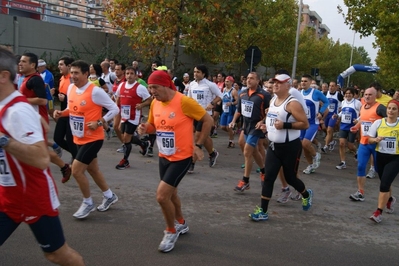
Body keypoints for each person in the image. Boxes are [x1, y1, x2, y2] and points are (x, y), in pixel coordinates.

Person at [0, 46, 84, 265]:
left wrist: (4, 140)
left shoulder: (17, 111)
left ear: (3, 76)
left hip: (32, 195)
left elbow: (40, 159)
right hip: (8, 195)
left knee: (57, 254)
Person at [137, 70, 213, 252]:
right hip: (164, 156)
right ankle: (181, 222)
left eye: (154, 87)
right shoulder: (155, 103)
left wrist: (199, 145)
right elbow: (153, 126)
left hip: (182, 157)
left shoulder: (183, 101)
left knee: (162, 196)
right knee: (172, 195)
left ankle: (171, 231)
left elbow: (208, 120)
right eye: (150, 88)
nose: (152, 91)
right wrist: (144, 128)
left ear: (165, 85)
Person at [53, 60, 119, 219]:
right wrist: (61, 113)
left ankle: (88, 202)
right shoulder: (70, 88)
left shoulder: (95, 91)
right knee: (92, 169)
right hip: (78, 137)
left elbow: (114, 108)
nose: (73, 76)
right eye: (72, 72)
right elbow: (72, 109)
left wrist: (100, 122)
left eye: (76, 73)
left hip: (93, 138)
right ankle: (109, 196)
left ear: (85, 74)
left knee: (76, 170)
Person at [249, 73, 313, 221]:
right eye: (274, 82)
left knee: (290, 178)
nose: (275, 85)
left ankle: (306, 194)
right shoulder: (273, 100)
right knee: (268, 178)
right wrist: (265, 125)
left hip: (290, 147)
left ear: (288, 85)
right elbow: (274, 120)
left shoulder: (293, 103)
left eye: (279, 83)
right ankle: (263, 211)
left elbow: (305, 124)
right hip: (273, 146)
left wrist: (285, 125)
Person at [19, 52, 71, 183]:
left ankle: (63, 167)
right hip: (28, 120)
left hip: (37, 120)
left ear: (32, 65)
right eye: (20, 61)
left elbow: (42, 101)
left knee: (39, 149)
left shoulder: (35, 79)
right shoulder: (25, 78)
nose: (20, 64)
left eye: (24, 61)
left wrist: (21, 99)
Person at [229, 72, 271, 192]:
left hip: (257, 127)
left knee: (248, 151)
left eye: (252, 78)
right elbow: (239, 111)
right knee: (250, 149)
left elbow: (271, 111)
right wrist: (233, 121)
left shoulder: (264, 95)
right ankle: (263, 171)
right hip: (246, 126)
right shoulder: (242, 93)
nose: (248, 80)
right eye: (247, 78)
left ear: (258, 81)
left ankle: (245, 181)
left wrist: (263, 121)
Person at [349, 87, 386, 201]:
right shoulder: (363, 106)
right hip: (364, 143)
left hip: (377, 144)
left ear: (375, 96)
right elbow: (363, 120)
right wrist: (356, 127)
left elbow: (389, 121)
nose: (367, 96)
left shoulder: (380, 108)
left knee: (381, 172)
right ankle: (360, 192)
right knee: (360, 166)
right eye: (365, 94)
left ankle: (387, 196)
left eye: (370, 94)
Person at [114, 66, 152, 169]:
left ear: (136, 76)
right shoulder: (121, 85)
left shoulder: (140, 87)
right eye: (127, 73)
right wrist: (117, 104)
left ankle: (125, 161)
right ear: (125, 75)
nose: (129, 76)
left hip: (134, 116)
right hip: (124, 115)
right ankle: (143, 143)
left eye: (131, 74)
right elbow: (118, 96)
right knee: (125, 137)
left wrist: (141, 105)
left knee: (126, 138)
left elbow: (149, 99)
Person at [367, 99, 399, 223]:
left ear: (398, 111)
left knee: (384, 184)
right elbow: (369, 139)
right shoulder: (378, 123)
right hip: (380, 156)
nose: (391, 111)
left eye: (394, 109)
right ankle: (389, 199)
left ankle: (378, 212)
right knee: (384, 181)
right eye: (389, 108)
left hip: (395, 157)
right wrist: (375, 140)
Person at [187, 64, 222, 173]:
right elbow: (189, 99)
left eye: (198, 72)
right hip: (194, 114)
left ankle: (191, 163)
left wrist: (212, 103)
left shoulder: (210, 85)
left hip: (205, 115)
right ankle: (212, 153)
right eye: (194, 72)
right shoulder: (191, 85)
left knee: (198, 137)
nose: (195, 74)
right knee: (203, 137)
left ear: (203, 74)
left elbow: (220, 95)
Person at [53, 56, 78, 181]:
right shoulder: (62, 78)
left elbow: (76, 97)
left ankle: (77, 160)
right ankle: (78, 155)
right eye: (59, 64)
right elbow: (62, 93)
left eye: (61, 64)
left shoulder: (72, 80)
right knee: (57, 138)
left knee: (70, 139)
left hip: (72, 113)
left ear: (69, 66)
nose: (59, 67)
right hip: (63, 112)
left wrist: (66, 98)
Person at [300, 74, 328, 174]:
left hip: (312, 123)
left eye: (305, 81)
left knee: (305, 143)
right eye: (302, 81)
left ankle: (316, 155)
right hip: (302, 123)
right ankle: (310, 165)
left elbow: (326, 102)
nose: (303, 83)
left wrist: (321, 112)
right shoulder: (299, 93)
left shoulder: (315, 93)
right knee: (303, 146)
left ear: (310, 82)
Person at [335, 88, 361, 169]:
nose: (347, 95)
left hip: (352, 127)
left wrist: (358, 120)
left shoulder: (357, 103)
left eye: (349, 93)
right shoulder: (343, 102)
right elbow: (342, 112)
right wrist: (337, 115)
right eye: (346, 93)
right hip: (343, 126)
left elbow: (363, 113)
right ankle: (343, 162)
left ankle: (356, 152)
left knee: (350, 146)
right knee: (341, 144)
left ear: (353, 94)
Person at [321, 81, 344, 153]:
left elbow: (345, 103)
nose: (331, 87)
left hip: (334, 115)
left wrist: (340, 110)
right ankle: (332, 141)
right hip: (326, 114)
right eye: (330, 86)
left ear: (336, 87)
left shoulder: (339, 95)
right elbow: (322, 103)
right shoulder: (325, 94)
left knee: (329, 130)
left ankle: (326, 146)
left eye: (333, 86)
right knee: (325, 128)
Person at [220, 76, 238, 148]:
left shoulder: (233, 91)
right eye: (225, 81)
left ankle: (231, 141)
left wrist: (232, 103)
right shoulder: (224, 89)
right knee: (222, 127)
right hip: (224, 110)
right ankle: (232, 132)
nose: (226, 83)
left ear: (231, 82)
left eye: (227, 81)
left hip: (231, 111)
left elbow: (237, 101)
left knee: (228, 127)